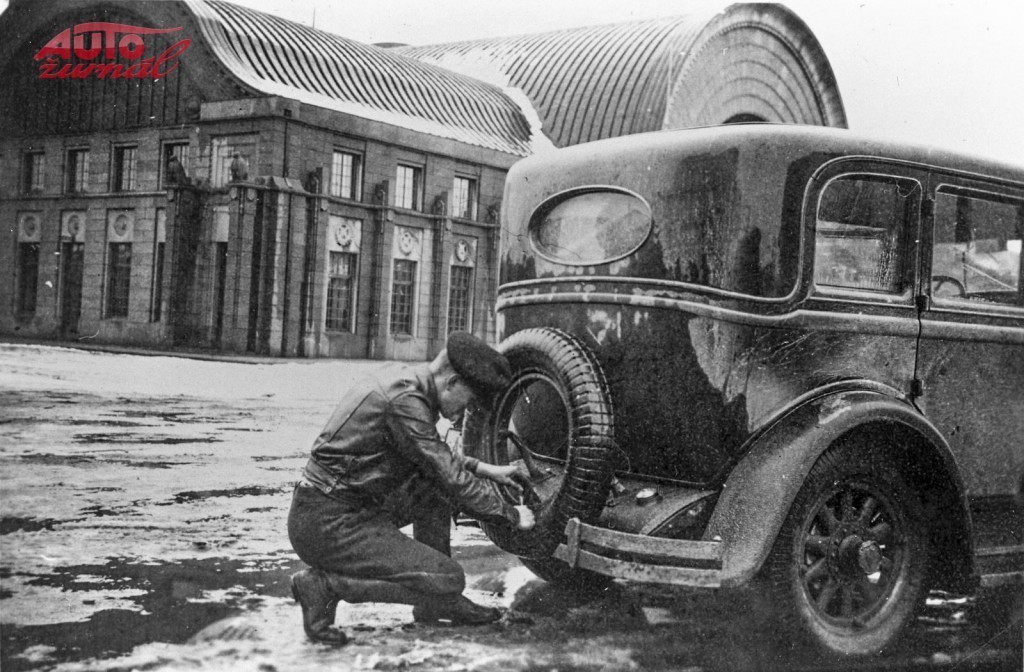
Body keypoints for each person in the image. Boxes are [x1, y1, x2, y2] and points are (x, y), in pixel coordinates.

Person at [288, 331, 535, 645]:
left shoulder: (406, 383)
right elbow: (448, 473)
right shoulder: (405, 402)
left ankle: (436, 605)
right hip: (327, 525)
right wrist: (511, 514)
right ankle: (326, 586)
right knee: (450, 578)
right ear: (453, 382)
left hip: (340, 508)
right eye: (470, 400)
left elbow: (431, 455)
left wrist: (484, 469)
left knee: (434, 489)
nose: (465, 412)